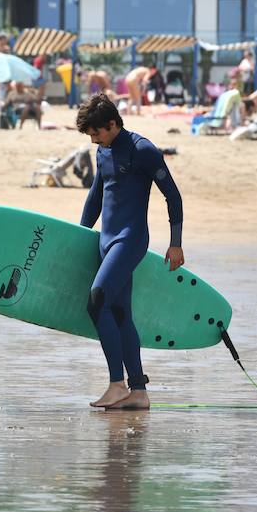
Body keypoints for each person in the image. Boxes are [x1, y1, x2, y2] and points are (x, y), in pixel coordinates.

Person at [77, 93, 184, 412]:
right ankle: (138, 392)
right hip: (105, 240)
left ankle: (115, 384)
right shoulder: (102, 151)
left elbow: (173, 196)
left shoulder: (143, 150)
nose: (94, 139)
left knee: (97, 302)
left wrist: (175, 242)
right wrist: (79, 234)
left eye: (97, 132)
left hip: (130, 239)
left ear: (112, 124)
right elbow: (96, 195)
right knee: (120, 312)